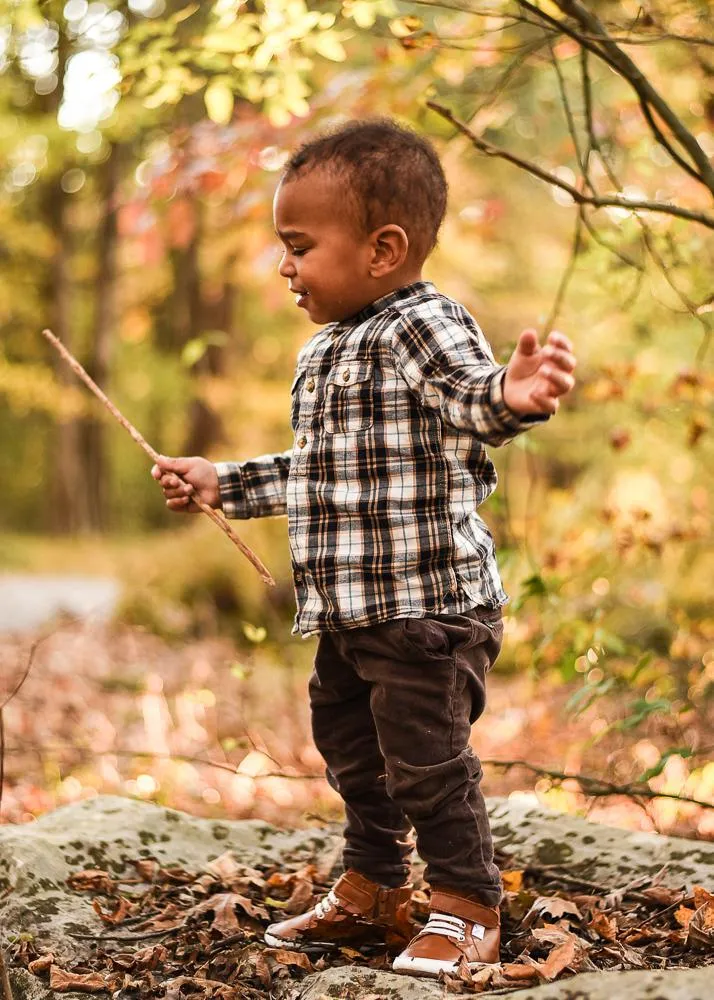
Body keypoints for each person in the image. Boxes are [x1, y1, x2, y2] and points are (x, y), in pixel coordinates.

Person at [152, 119, 576, 977]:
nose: (284, 266)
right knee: (353, 751)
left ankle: (466, 901)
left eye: (299, 246)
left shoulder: (423, 326)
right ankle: (376, 888)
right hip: (349, 612)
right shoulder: (324, 349)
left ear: (383, 248)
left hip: (426, 611)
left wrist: (515, 396)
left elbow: (472, 399)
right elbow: (317, 473)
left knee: (426, 761)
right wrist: (220, 483)